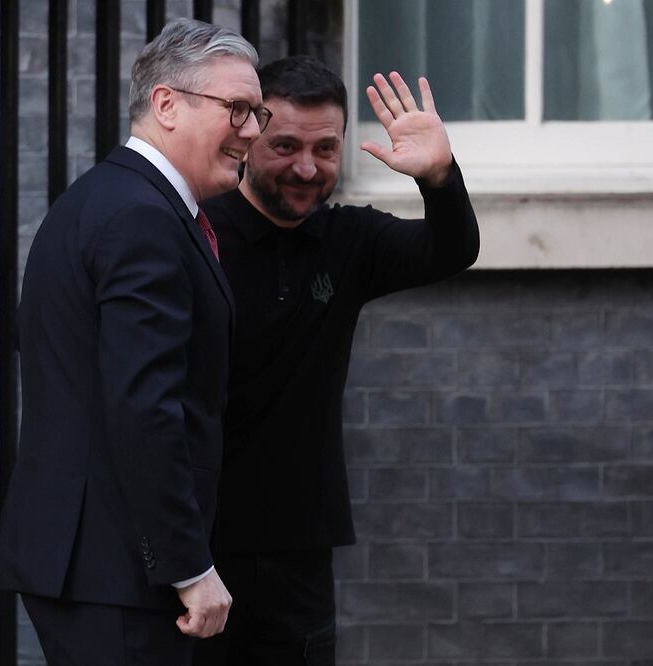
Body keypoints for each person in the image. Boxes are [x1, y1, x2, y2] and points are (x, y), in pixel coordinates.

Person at [0, 19, 272, 666]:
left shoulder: (104, 200)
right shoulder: (140, 217)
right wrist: (187, 565)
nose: (252, 131)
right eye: (237, 109)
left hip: (92, 564)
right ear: (166, 104)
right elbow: (144, 405)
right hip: (114, 571)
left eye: (256, 112)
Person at [193, 56, 480, 665]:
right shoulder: (196, 232)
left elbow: (451, 249)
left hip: (299, 549)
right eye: (286, 146)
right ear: (249, 138)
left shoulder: (350, 241)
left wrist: (439, 177)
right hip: (195, 544)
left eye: (326, 149)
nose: (306, 167)